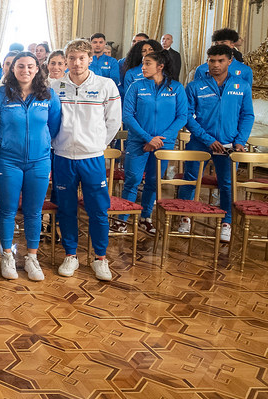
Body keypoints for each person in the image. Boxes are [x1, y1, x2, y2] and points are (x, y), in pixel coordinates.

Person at [51, 39, 122, 281]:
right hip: (62, 157)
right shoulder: (54, 85)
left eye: (81, 58)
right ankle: (71, 255)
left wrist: (98, 145)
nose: (76, 63)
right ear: (66, 60)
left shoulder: (105, 85)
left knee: (98, 210)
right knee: (66, 209)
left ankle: (100, 257)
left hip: (92, 158)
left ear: (90, 59)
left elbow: (113, 121)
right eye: (72, 58)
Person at [0, 53, 62, 281]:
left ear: (37, 69)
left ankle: (32, 257)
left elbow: (53, 125)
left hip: (39, 162)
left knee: (34, 211)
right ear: (12, 69)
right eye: (20, 66)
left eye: (30, 66)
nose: (25, 70)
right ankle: (7, 255)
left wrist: (39, 145)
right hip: (9, 161)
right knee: (7, 210)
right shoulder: (1, 94)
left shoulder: (48, 95)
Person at [178, 44, 255, 242]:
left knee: (227, 185)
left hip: (229, 145)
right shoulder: (195, 86)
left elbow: (247, 115)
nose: (215, 65)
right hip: (200, 142)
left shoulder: (242, 86)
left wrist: (240, 141)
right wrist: (207, 139)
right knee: (190, 179)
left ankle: (226, 223)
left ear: (230, 61)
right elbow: (187, 115)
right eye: (212, 61)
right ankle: (185, 217)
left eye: (220, 61)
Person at [119, 50, 188, 235]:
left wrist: (159, 140)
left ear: (160, 66)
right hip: (137, 142)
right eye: (143, 63)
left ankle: (145, 218)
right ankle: (122, 219)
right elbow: (127, 116)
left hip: (163, 144)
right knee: (132, 180)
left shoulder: (176, 88)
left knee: (153, 181)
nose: (143, 67)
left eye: (147, 63)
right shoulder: (136, 86)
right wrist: (148, 138)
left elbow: (182, 117)